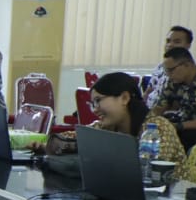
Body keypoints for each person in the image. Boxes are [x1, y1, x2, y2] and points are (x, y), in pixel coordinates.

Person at [42, 72, 185, 172]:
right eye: (93, 104)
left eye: (98, 101)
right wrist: (43, 146)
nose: (95, 110)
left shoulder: (157, 128)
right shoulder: (105, 127)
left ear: (124, 98)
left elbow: (152, 173)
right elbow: (67, 138)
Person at [145, 25, 194, 108]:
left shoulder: (188, 71)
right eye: (168, 41)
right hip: (149, 110)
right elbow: (148, 92)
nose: (170, 45)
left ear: (188, 45)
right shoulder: (160, 67)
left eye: (177, 42)